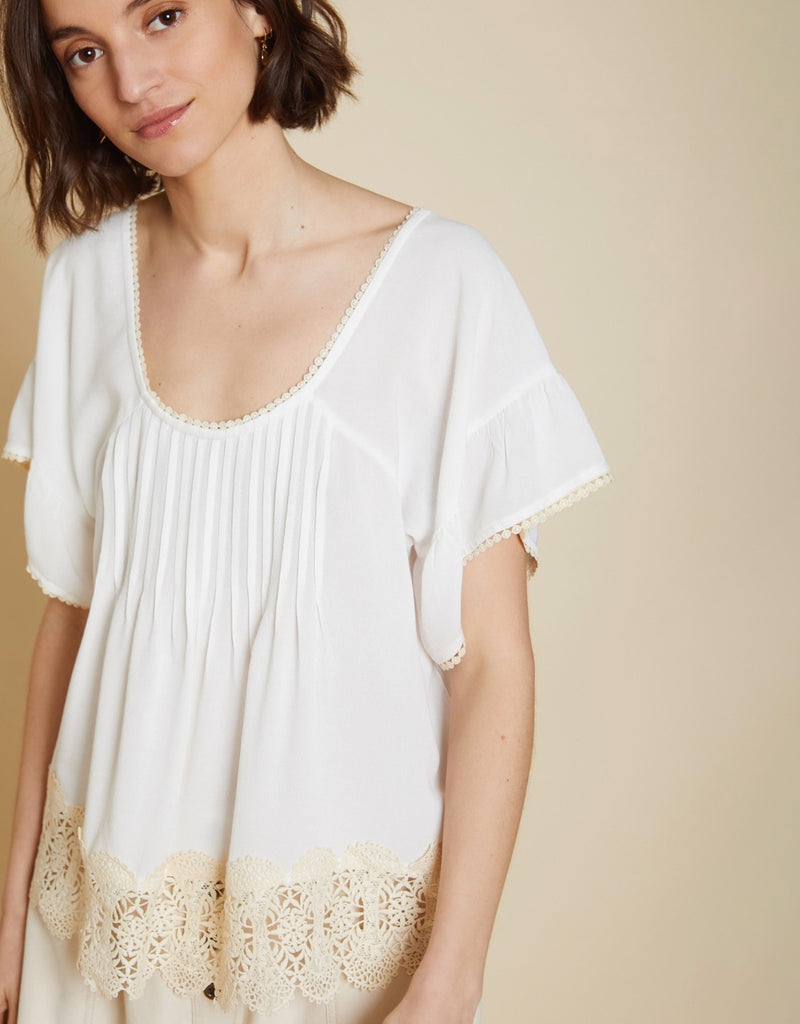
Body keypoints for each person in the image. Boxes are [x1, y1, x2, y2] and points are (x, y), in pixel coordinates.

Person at [0, 0, 613, 1021]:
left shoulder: (440, 286)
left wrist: (452, 974)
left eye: (162, 16)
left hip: (332, 950)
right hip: (100, 930)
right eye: (84, 52)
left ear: (254, 11)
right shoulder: (83, 288)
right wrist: (13, 903)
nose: (132, 82)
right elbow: (72, 620)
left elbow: (492, 663)